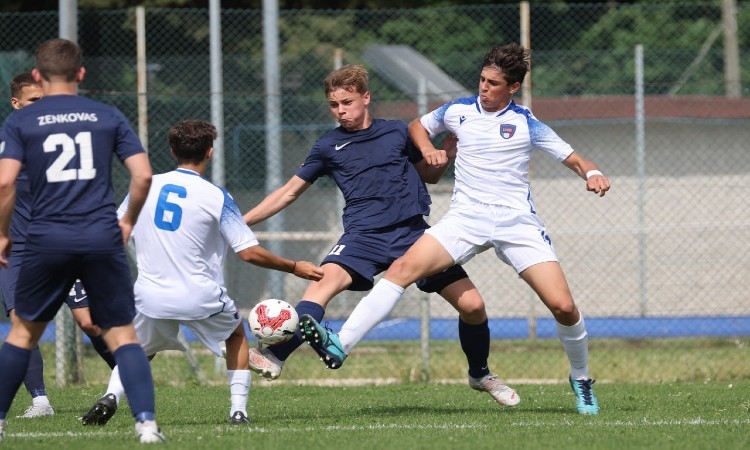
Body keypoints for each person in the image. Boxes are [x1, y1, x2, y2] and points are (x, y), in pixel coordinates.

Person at [301, 43, 609, 415]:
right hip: (465, 218)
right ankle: (341, 344)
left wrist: (592, 173)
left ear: (512, 87)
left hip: (516, 222)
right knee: (400, 270)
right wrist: (430, 151)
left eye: (493, 83)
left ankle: (581, 379)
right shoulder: (457, 111)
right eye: (481, 79)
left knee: (562, 306)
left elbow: (575, 158)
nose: (483, 88)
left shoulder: (527, 123)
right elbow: (418, 125)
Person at [244, 64, 520, 408]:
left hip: (413, 234)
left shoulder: (396, 133)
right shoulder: (328, 145)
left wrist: (445, 154)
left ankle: (480, 374)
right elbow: (288, 192)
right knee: (319, 286)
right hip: (363, 237)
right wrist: (243, 222)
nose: (341, 110)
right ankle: (277, 354)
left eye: (347, 102)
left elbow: (428, 176)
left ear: (366, 97)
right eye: (334, 105)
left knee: (473, 306)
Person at [80, 119, 323, 426]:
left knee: (139, 348)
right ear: (210, 152)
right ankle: (238, 411)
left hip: (149, 294)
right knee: (236, 336)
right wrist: (293, 266)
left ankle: (111, 396)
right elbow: (248, 252)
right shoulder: (217, 196)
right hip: (200, 295)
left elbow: (115, 233)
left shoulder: (143, 187)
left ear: (171, 151)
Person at [0, 38, 165, 443]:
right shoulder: (106, 115)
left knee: (22, 332)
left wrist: (2, 233)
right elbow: (143, 175)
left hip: (45, 238)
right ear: (82, 74)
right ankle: (146, 426)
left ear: (38, 76)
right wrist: (126, 221)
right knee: (123, 333)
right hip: (99, 236)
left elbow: (5, 181)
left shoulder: (21, 123)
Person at [0, 72, 116, 420]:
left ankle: (124, 377)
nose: (42, 106)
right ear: (16, 103)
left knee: (90, 323)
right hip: (18, 251)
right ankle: (40, 401)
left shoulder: (64, 141)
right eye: (34, 100)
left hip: (64, 244)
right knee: (22, 323)